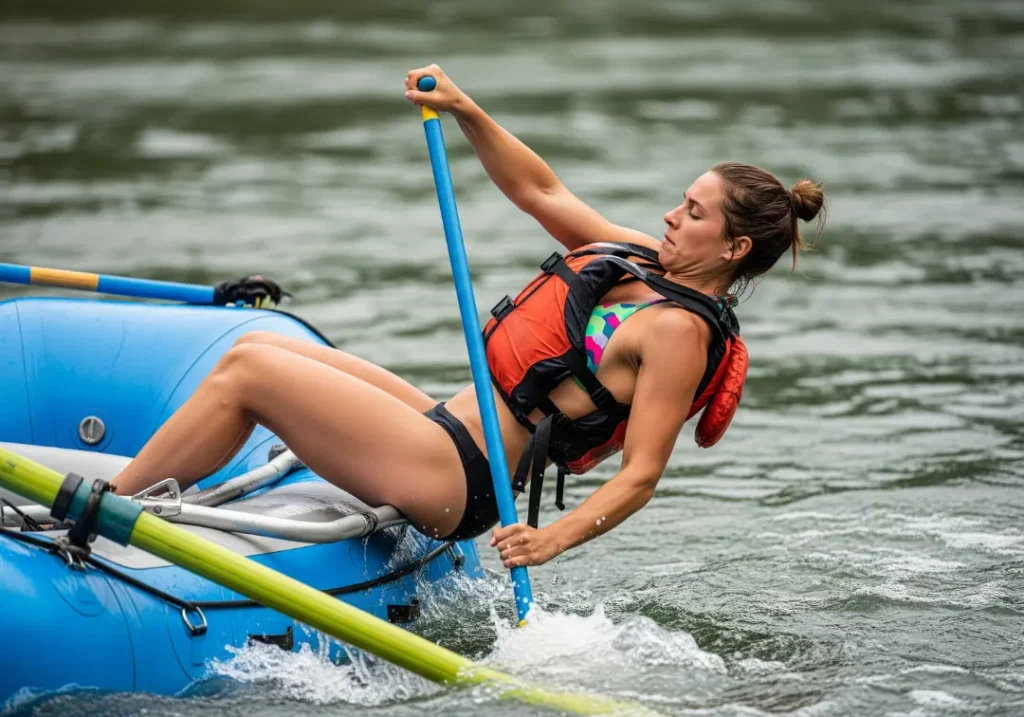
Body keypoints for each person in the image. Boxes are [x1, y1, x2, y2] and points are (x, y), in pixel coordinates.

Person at [111, 65, 825, 569]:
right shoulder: (641, 258)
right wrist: (465, 109)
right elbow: (540, 189)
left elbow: (641, 474)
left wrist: (551, 540)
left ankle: (99, 511)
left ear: (733, 247)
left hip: (462, 477)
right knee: (264, 342)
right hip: (449, 427)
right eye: (681, 199)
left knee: (249, 370)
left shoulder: (679, 331)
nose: (671, 215)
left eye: (694, 213)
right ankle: (148, 494)